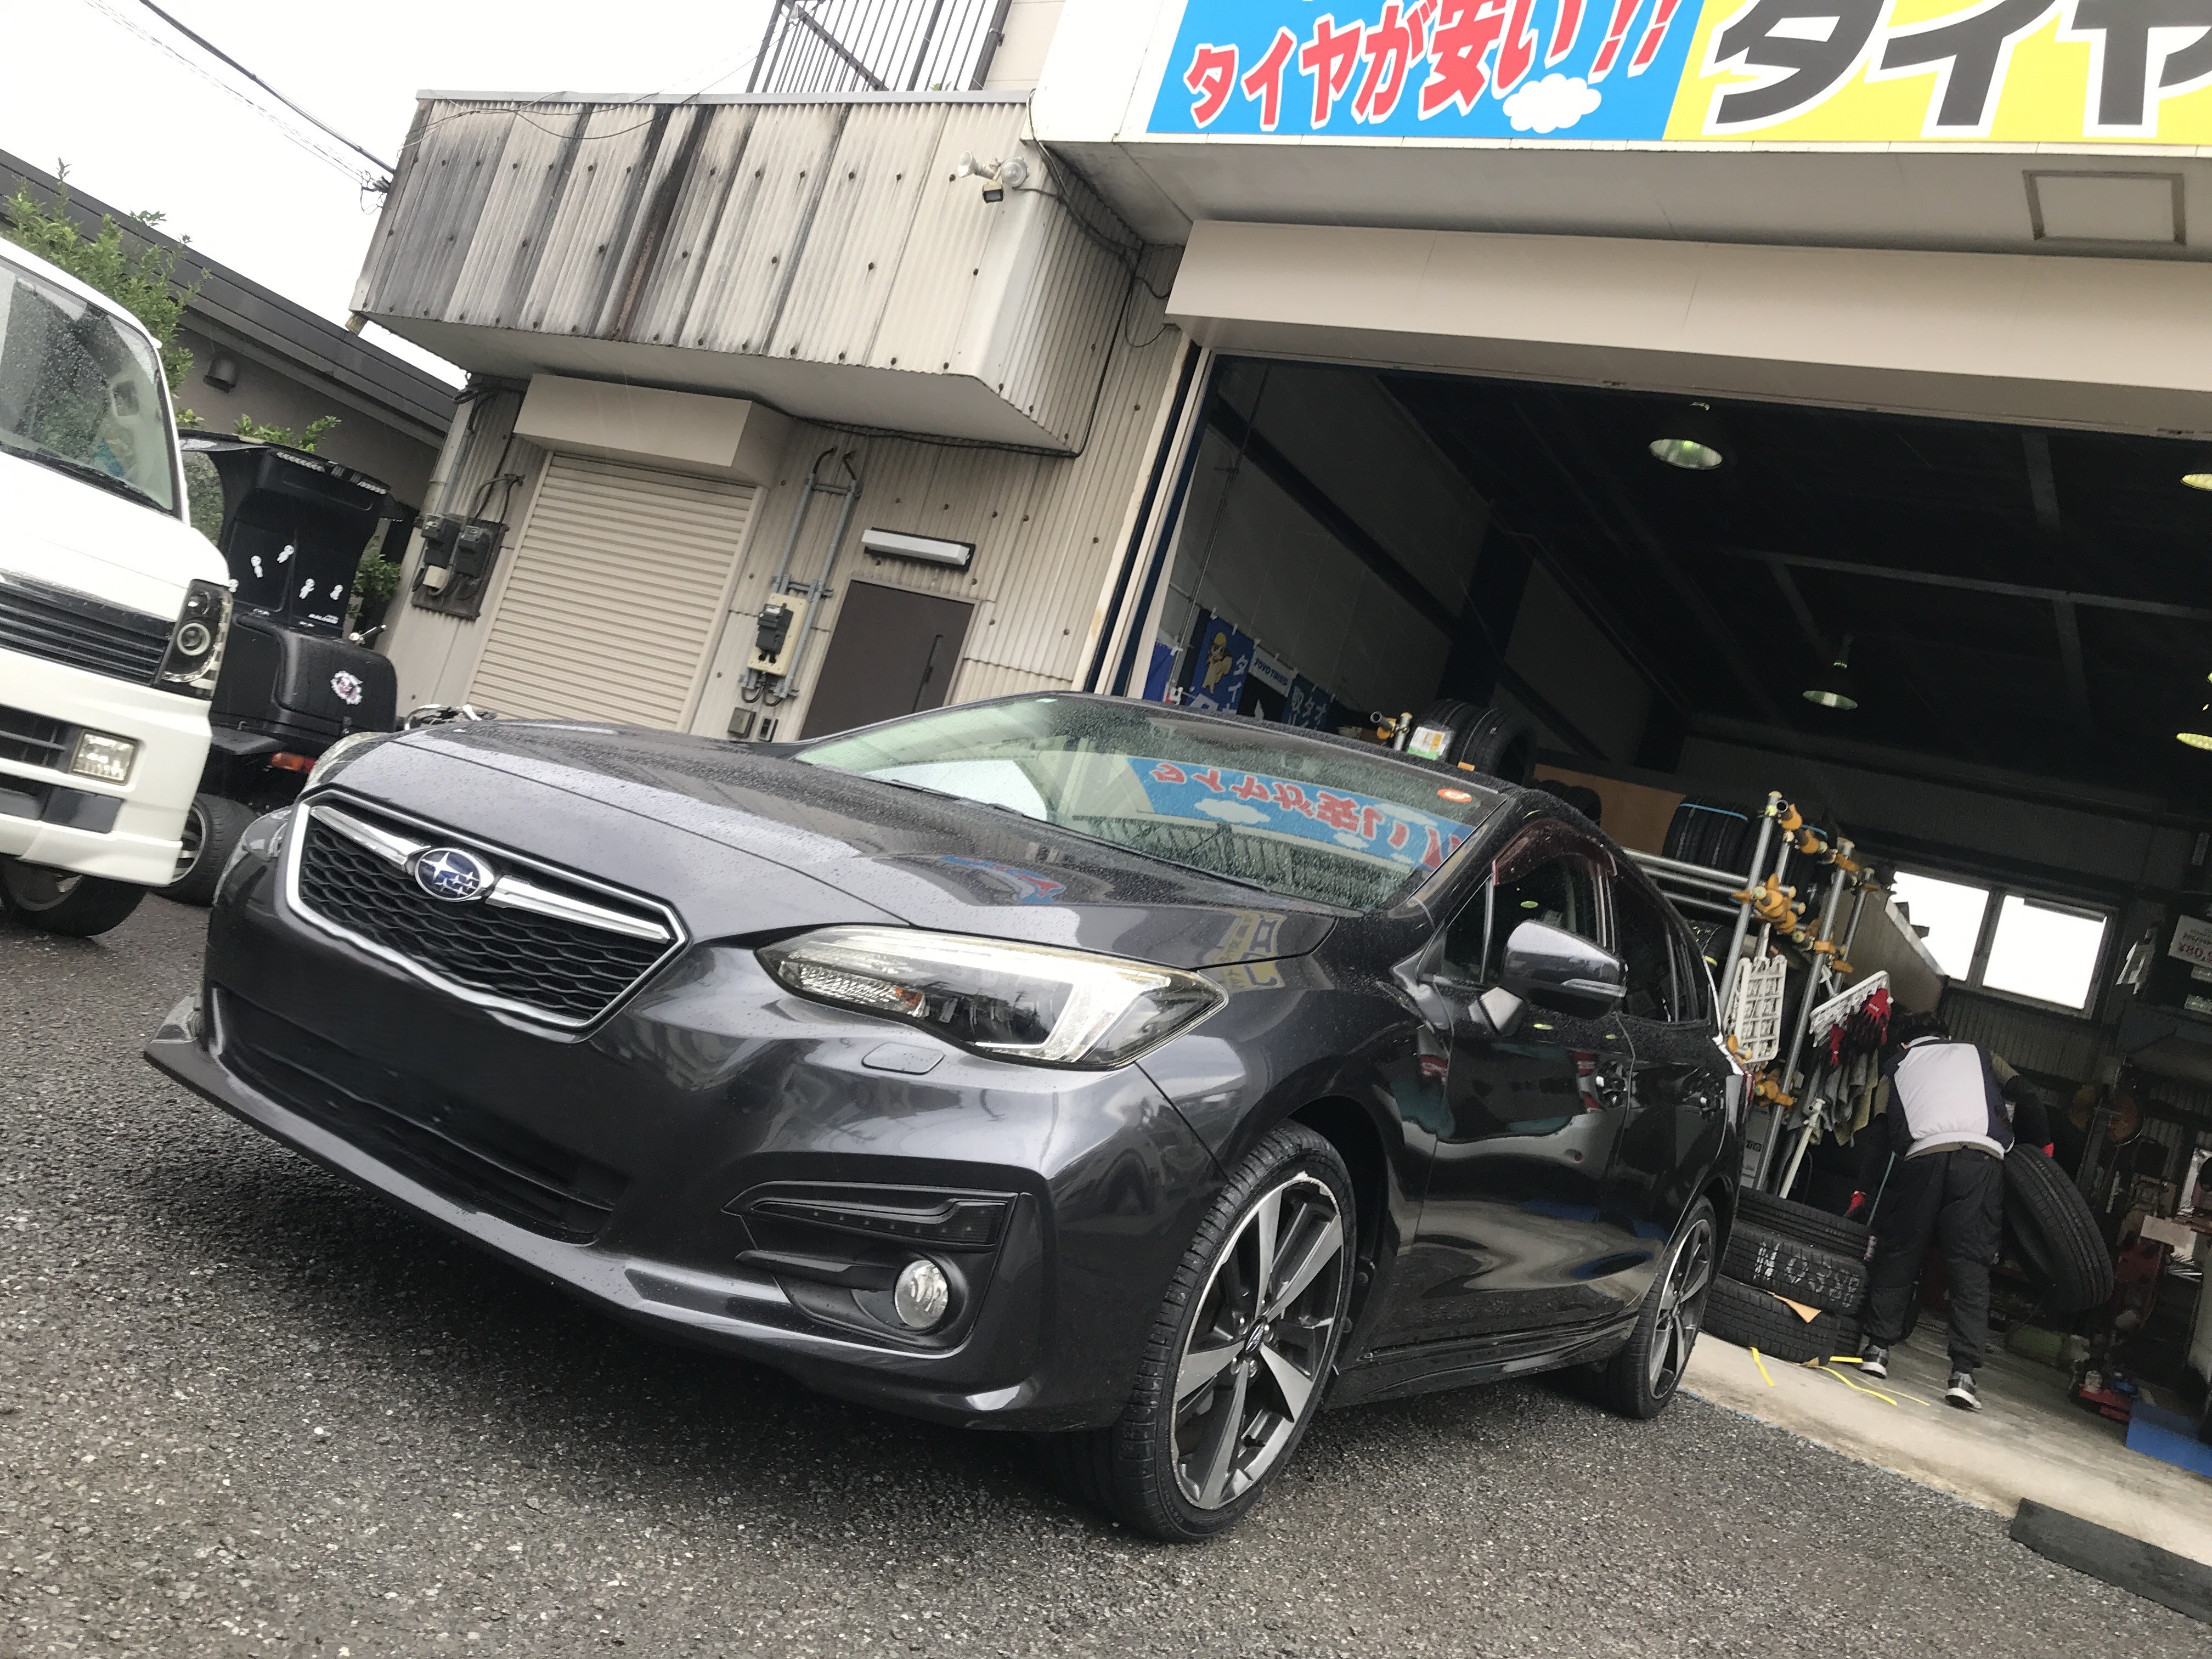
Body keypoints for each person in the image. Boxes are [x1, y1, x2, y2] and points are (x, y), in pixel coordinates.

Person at [1852, 1011, 2032, 1411]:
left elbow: (1878, 1134)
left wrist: (1863, 1191)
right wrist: (2042, 1153)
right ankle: (1963, 1376)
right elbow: (2028, 1094)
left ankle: (1877, 1351)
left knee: (1902, 1250)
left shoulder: (1895, 1066)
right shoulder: (1980, 1053)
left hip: (1924, 1158)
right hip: (1982, 1160)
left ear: (1904, 1042)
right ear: (1946, 1036)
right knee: (1970, 1265)